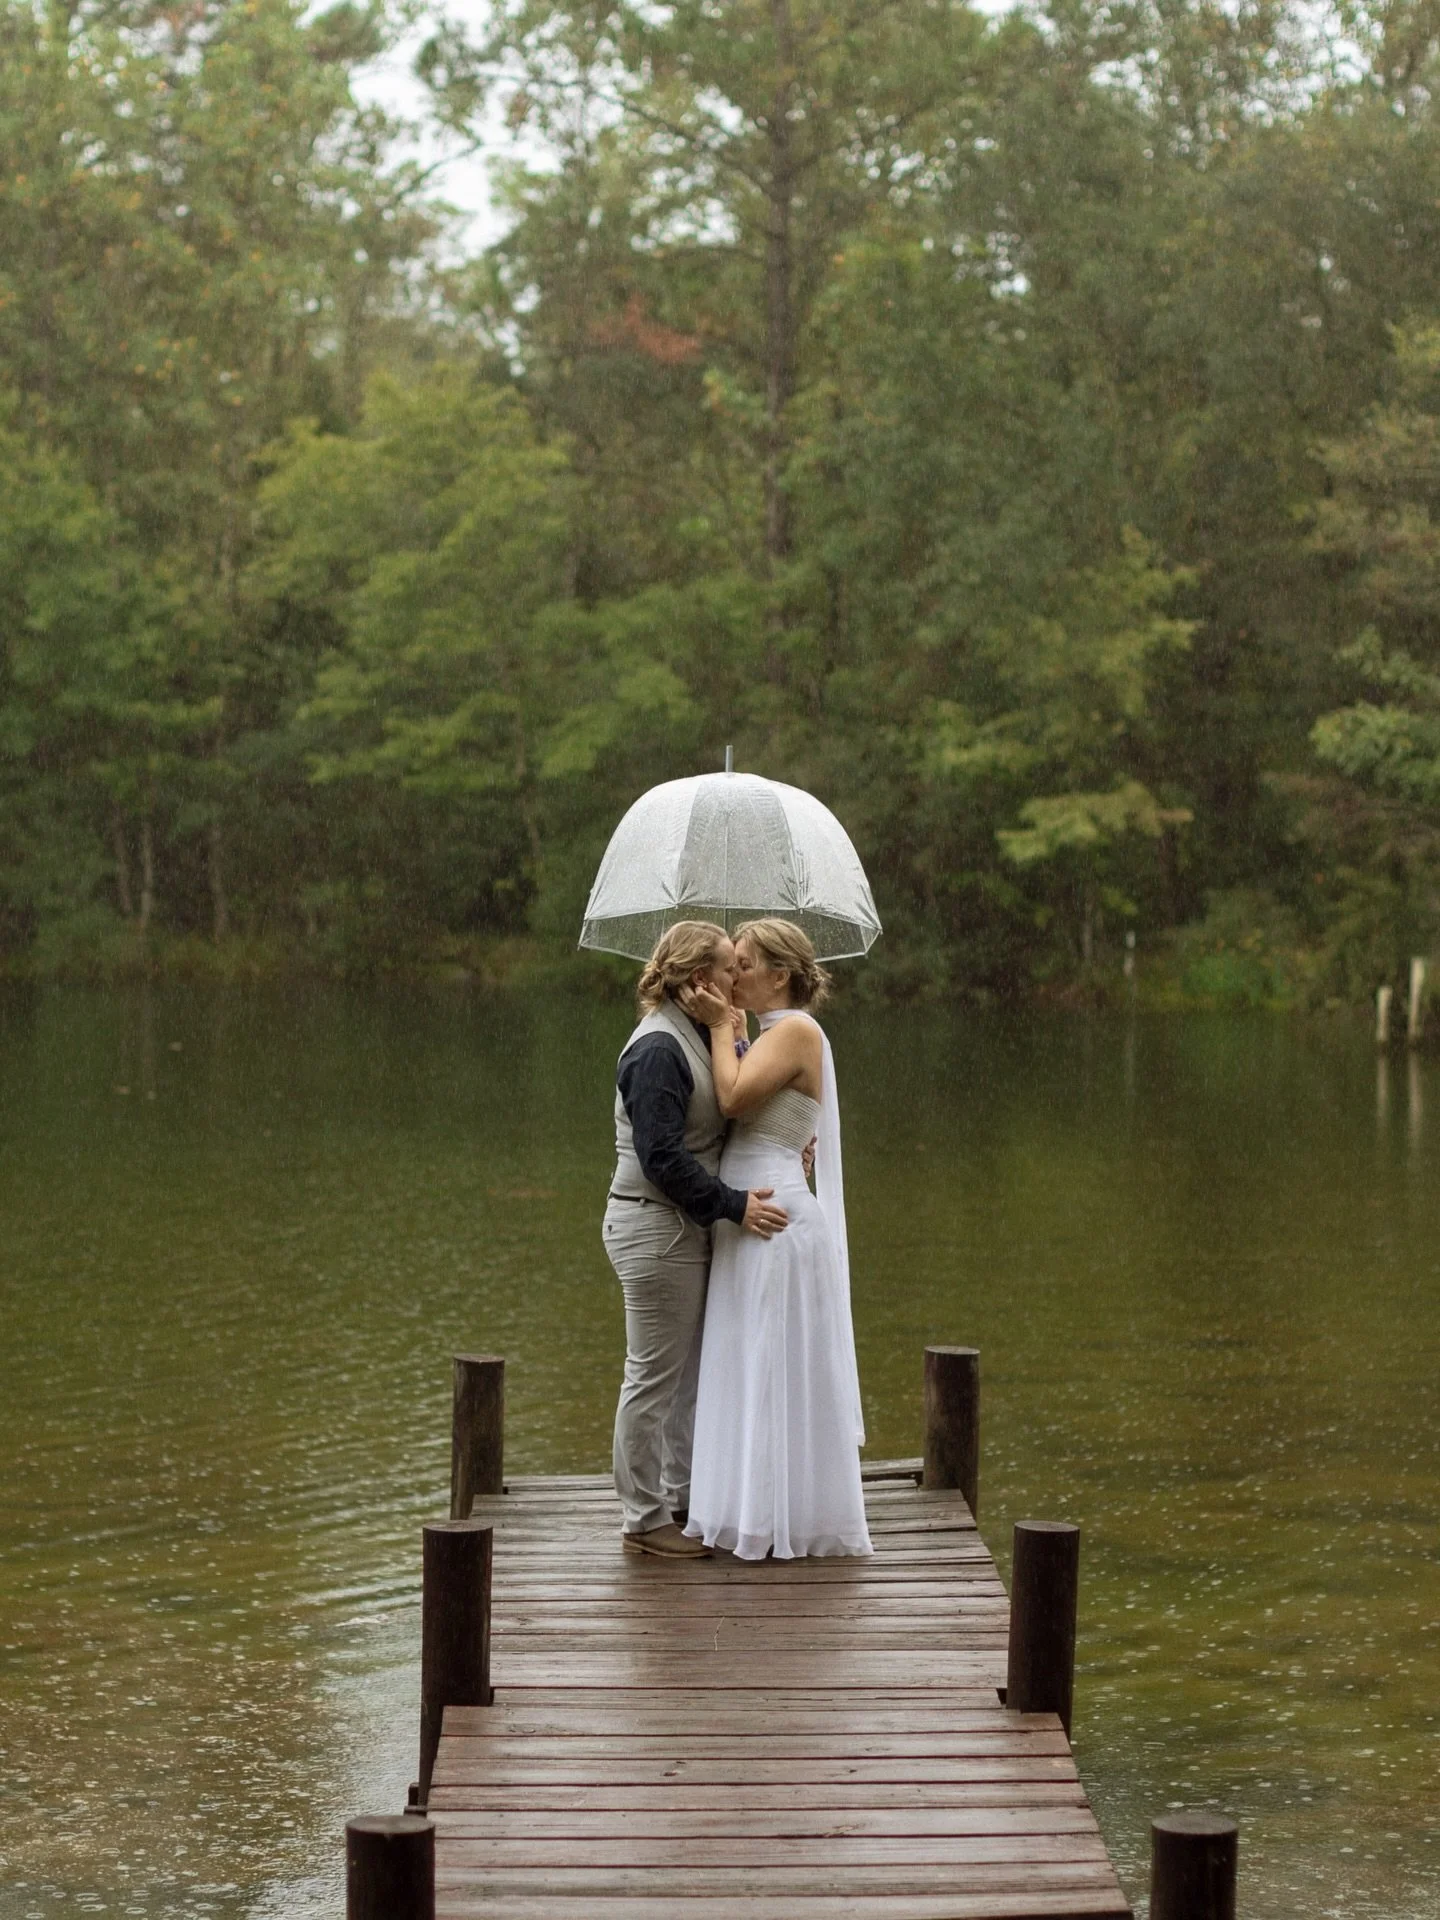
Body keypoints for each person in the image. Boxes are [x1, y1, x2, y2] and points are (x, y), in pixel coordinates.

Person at [680, 918, 872, 1560]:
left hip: (774, 1222)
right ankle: (749, 1507)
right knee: (747, 1363)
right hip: (749, 1217)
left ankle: (778, 1518)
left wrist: (717, 1028)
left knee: (771, 1367)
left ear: (779, 975)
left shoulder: (795, 1030)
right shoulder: (766, 1035)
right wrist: (731, 1033)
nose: (732, 976)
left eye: (743, 964)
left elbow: (732, 1100)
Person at [602, 920, 792, 1558]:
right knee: (653, 1377)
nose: (741, 976)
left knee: (686, 1377)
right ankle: (643, 1518)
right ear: (700, 979)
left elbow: (723, 1114)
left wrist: (789, 1139)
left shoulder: (696, 1034)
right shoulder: (657, 1049)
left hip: (683, 1226)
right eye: (729, 967)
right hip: (654, 1227)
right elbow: (662, 1157)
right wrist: (734, 1206)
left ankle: (682, 1497)